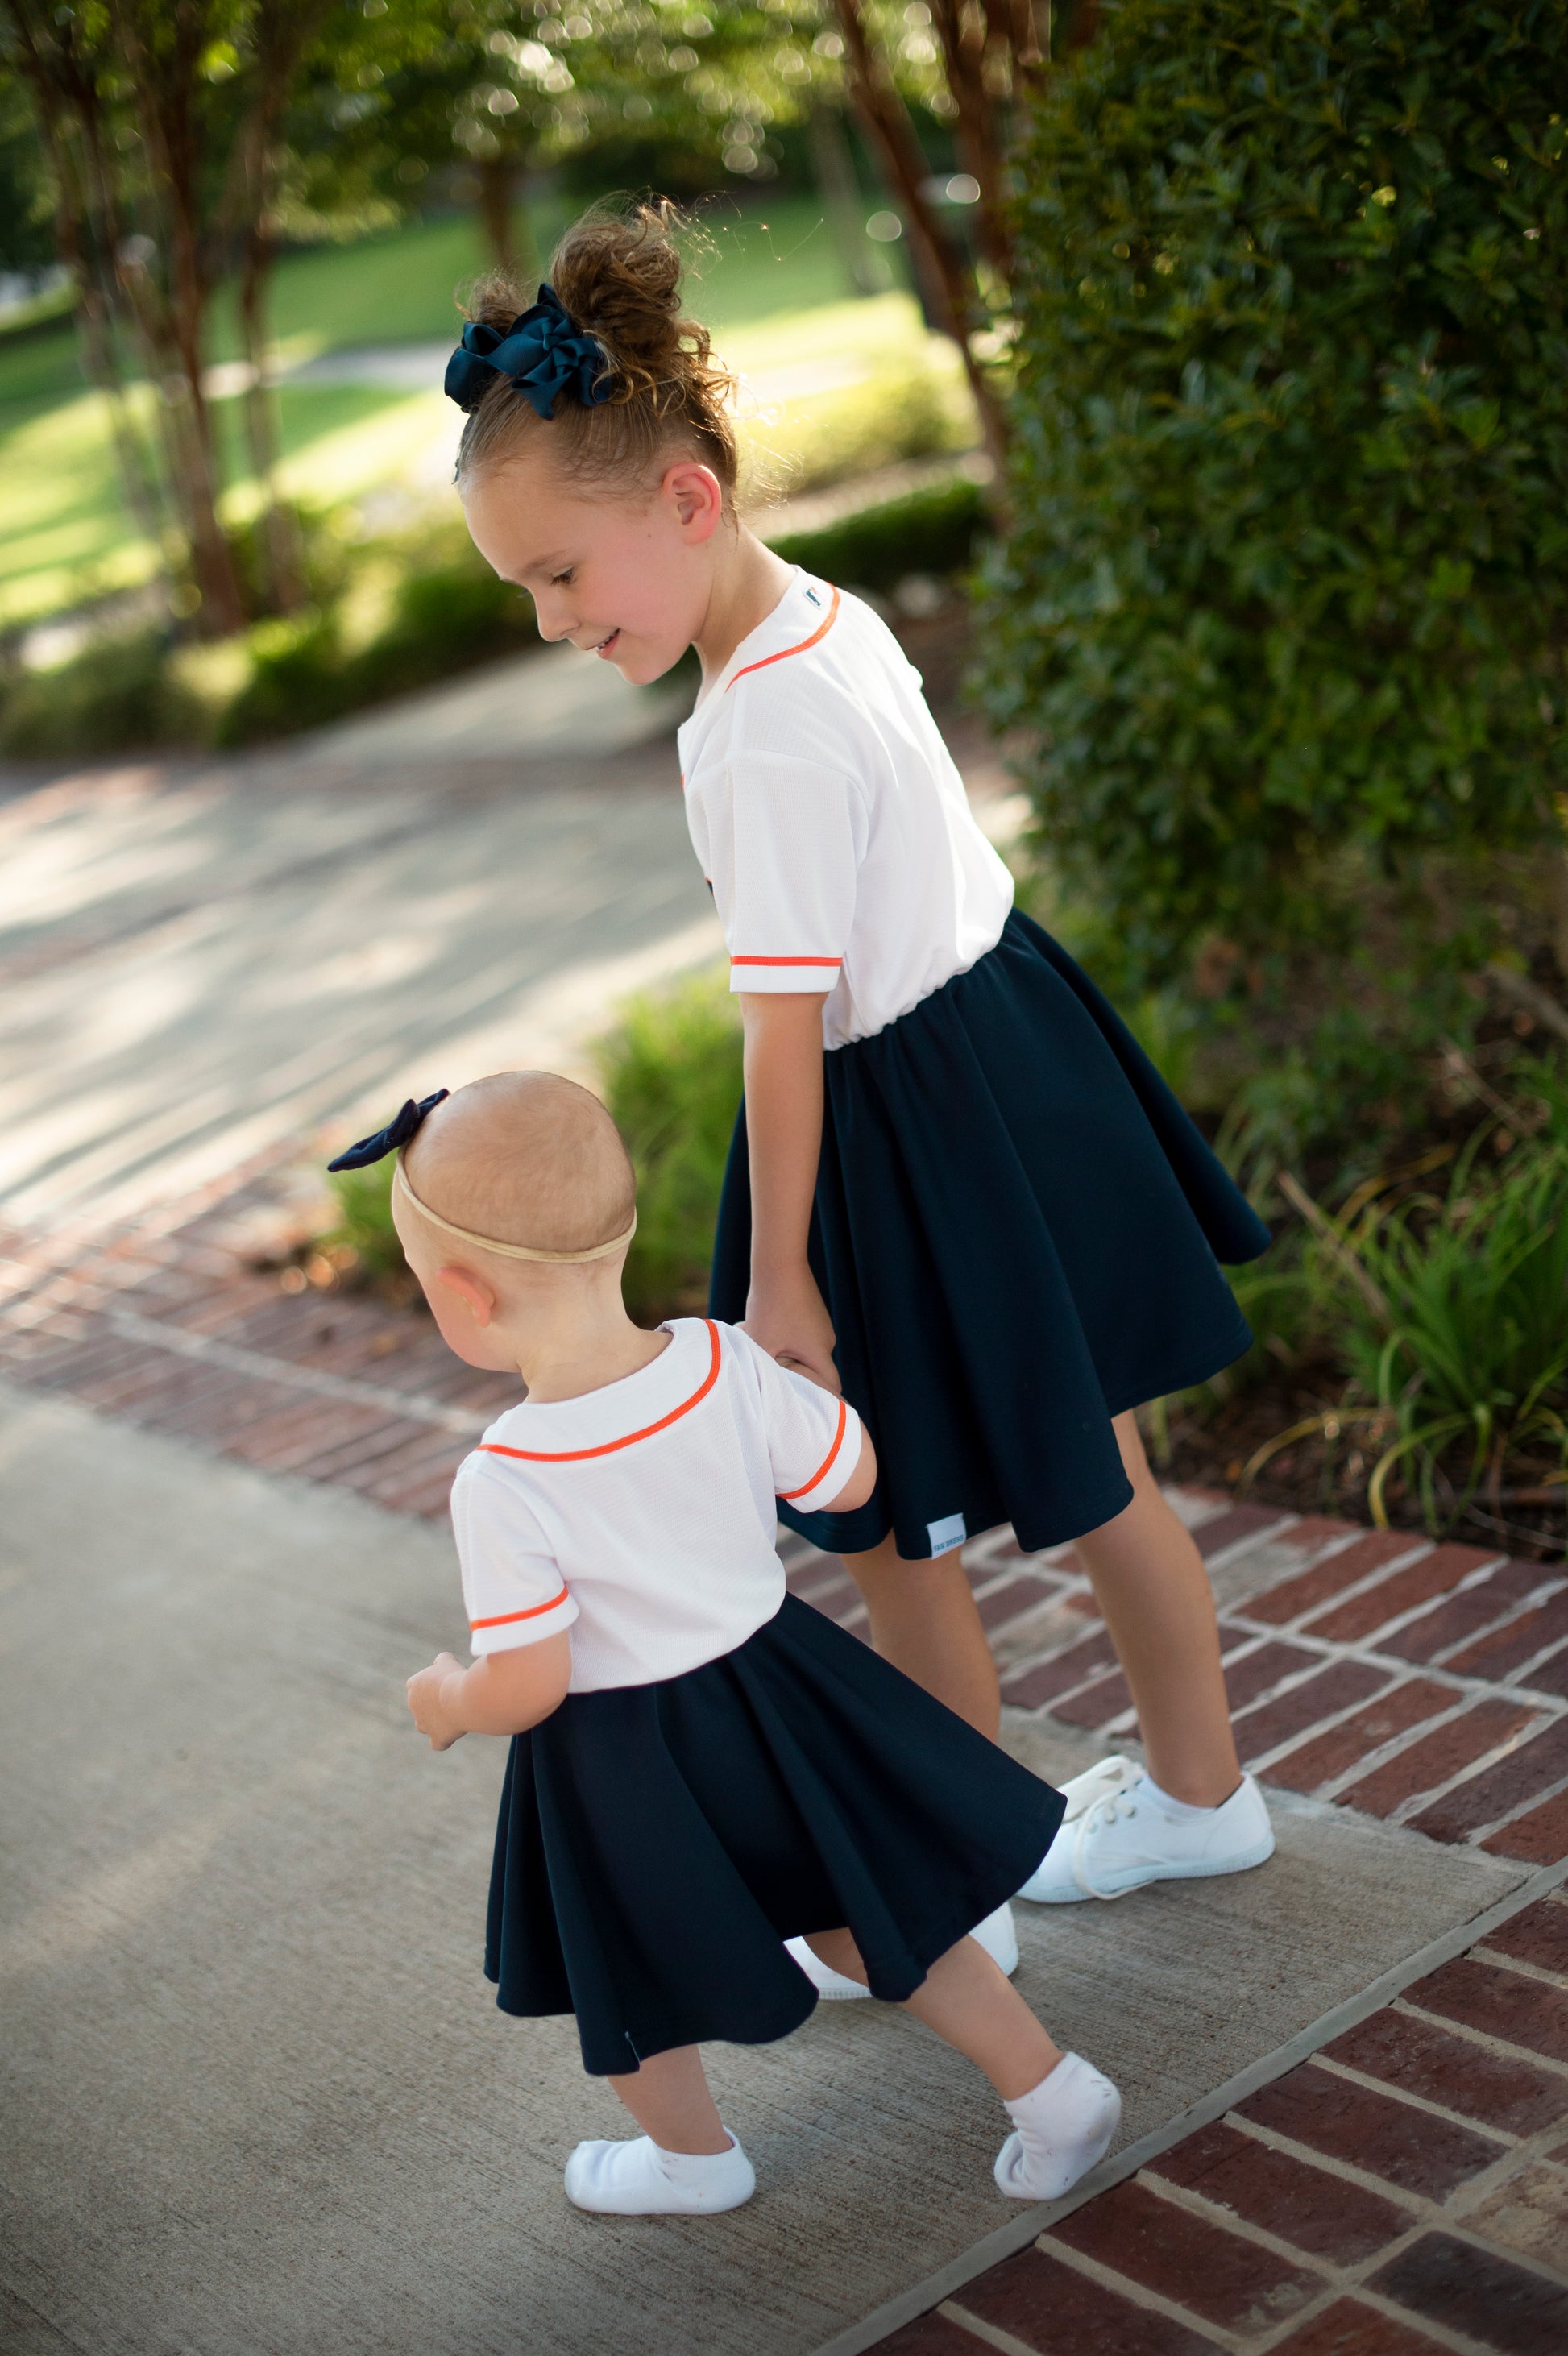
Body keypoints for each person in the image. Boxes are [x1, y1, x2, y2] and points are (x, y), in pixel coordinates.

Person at [442, 203, 1276, 1980]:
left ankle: (943, 1899)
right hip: (1011, 1057)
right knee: (1103, 1464)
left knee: (892, 1530)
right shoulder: (817, 619)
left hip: (892, 1131)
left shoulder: (753, 732)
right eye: (520, 591)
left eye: (561, 577)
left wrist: (783, 1276)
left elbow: (780, 1030)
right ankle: (1203, 1794)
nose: (547, 623)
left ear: (682, 499)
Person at [333, 1072, 1121, 2217]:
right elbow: (846, 1477)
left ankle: (693, 2163)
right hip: (782, 1702)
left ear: (462, 1299)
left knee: (625, 1972)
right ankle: (1048, 2089)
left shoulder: (504, 1480)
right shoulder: (717, 1359)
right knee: (876, 1913)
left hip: (623, 1765)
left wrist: (453, 1700)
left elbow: (531, 1680)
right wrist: (796, 1394)